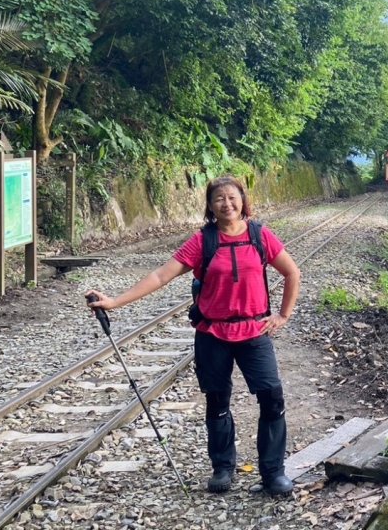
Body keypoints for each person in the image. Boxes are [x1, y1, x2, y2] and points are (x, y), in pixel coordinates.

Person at [86, 175, 301, 495]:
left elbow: (291, 271)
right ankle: (223, 468)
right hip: (213, 333)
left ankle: (273, 472)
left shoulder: (260, 235)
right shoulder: (203, 241)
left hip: (254, 331)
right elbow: (161, 275)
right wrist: (115, 302)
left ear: (243, 200)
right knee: (217, 401)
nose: (227, 204)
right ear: (210, 206)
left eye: (232, 197)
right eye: (219, 199)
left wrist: (283, 315)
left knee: (272, 398)